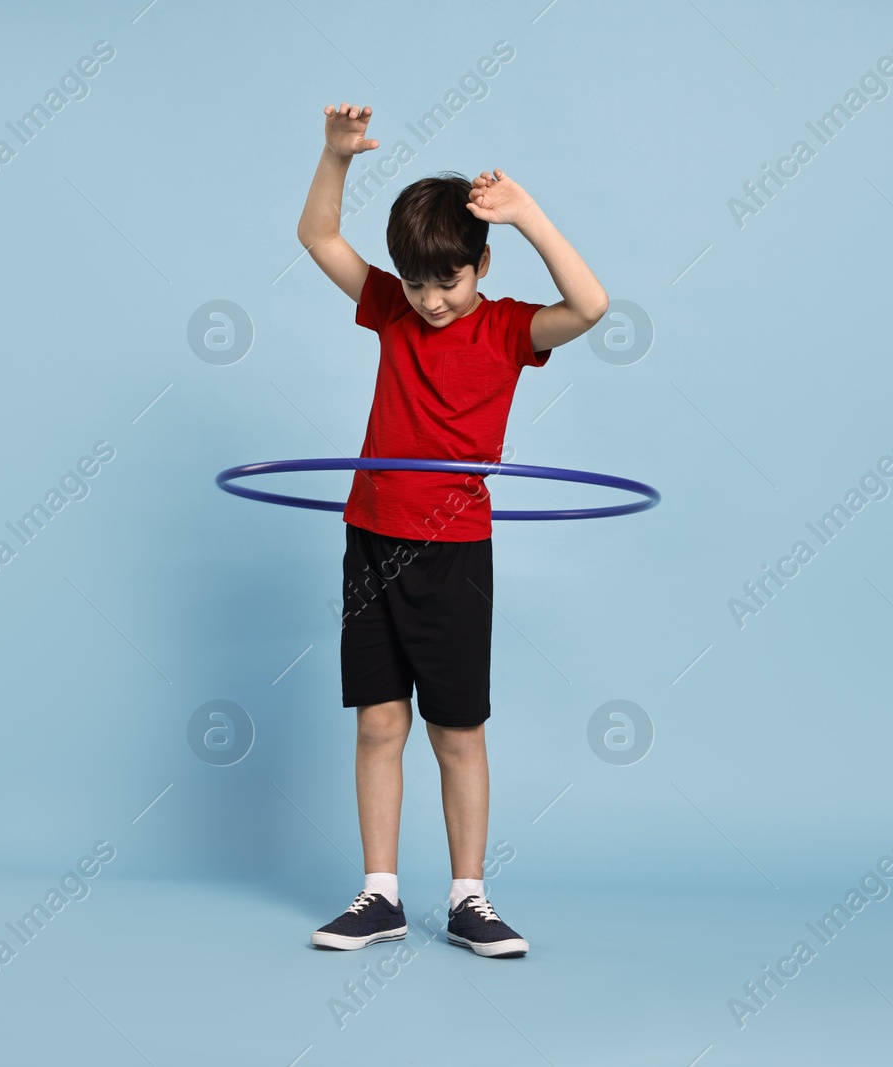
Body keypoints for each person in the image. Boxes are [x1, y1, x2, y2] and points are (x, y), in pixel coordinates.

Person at [295, 102, 607, 958]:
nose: (432, 302)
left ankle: (469, 896)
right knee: (378, 723)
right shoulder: (393, 307)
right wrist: (335, 157)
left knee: (457, 730)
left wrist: (529, 212)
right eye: (421, 283)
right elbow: (319, 237)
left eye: (450, 281)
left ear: (482, 264)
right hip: (371, 537)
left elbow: (591, 305)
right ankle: (380, 893)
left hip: (457, 551)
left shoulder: (508, 328)